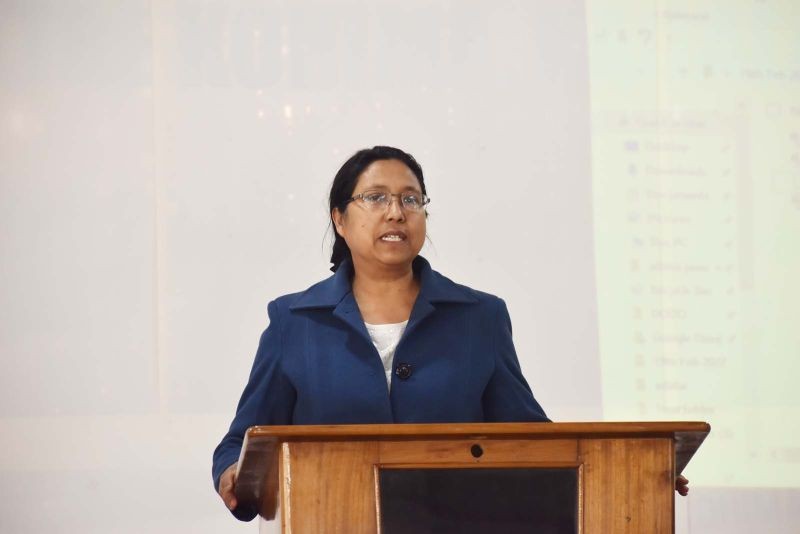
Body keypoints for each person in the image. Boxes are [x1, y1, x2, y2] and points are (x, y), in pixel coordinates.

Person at [212, 146, 686, 521]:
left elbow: (530, 438)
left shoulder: (479, 317)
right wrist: (234, 473)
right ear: (339, 218)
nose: (396, 212)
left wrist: (642, 470)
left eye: (411, 199)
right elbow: (240, 443)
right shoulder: (296, 321)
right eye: (376, 198)